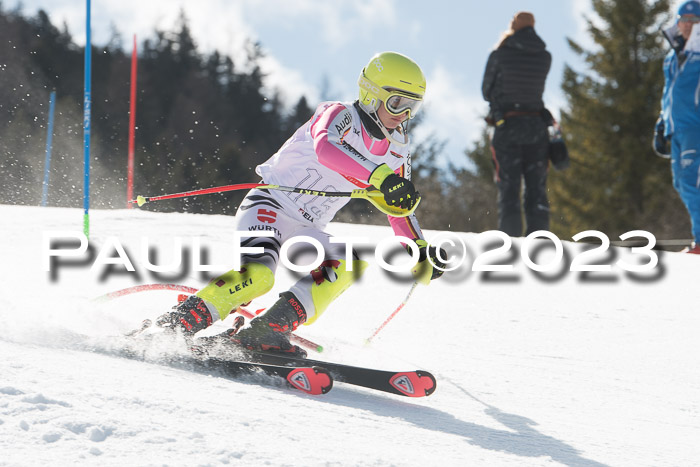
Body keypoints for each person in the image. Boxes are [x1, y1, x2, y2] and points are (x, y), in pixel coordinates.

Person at [156, 51, 446, 355]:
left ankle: (269, 329)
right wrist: (381, 176)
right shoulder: (340, 114)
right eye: (397, 103)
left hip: (307, 227)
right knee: (258, 277)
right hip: (270, 206)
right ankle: (178, 323)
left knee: (349, 264)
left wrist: (418, 249)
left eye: (412, 107)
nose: (403, 115)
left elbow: (398, 207)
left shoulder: (397, 149)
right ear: (372, 94)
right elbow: (326, 147)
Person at [481, 12, 552, 237]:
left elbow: (486, 91)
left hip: (508, 126)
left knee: (509, 189)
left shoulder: (500, 54)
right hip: (537, 129)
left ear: (513, 27)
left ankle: (510, 243)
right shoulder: (545, 56)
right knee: (537, 191)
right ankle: (540, 243)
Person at [655, 0, 700, 254]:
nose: (688, 26)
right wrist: (662, 123)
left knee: (693, 181)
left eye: (695, 21)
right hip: (677, 128)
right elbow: (668, 93)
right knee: (681, 183)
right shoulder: (672, 56)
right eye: (685, 20)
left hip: (696, 127)